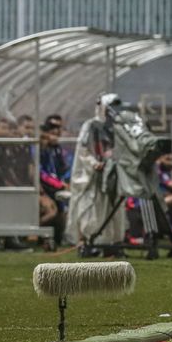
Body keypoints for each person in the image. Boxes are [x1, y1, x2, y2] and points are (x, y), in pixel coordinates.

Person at [65, 94, 125, 250]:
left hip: (112, 173)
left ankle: (112, 242)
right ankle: (91, 241)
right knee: (91, 209)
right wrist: (94, 164)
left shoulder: (118, 126)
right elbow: (84, 151)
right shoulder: (90, 126)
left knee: (113, 208)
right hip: (92, 177)